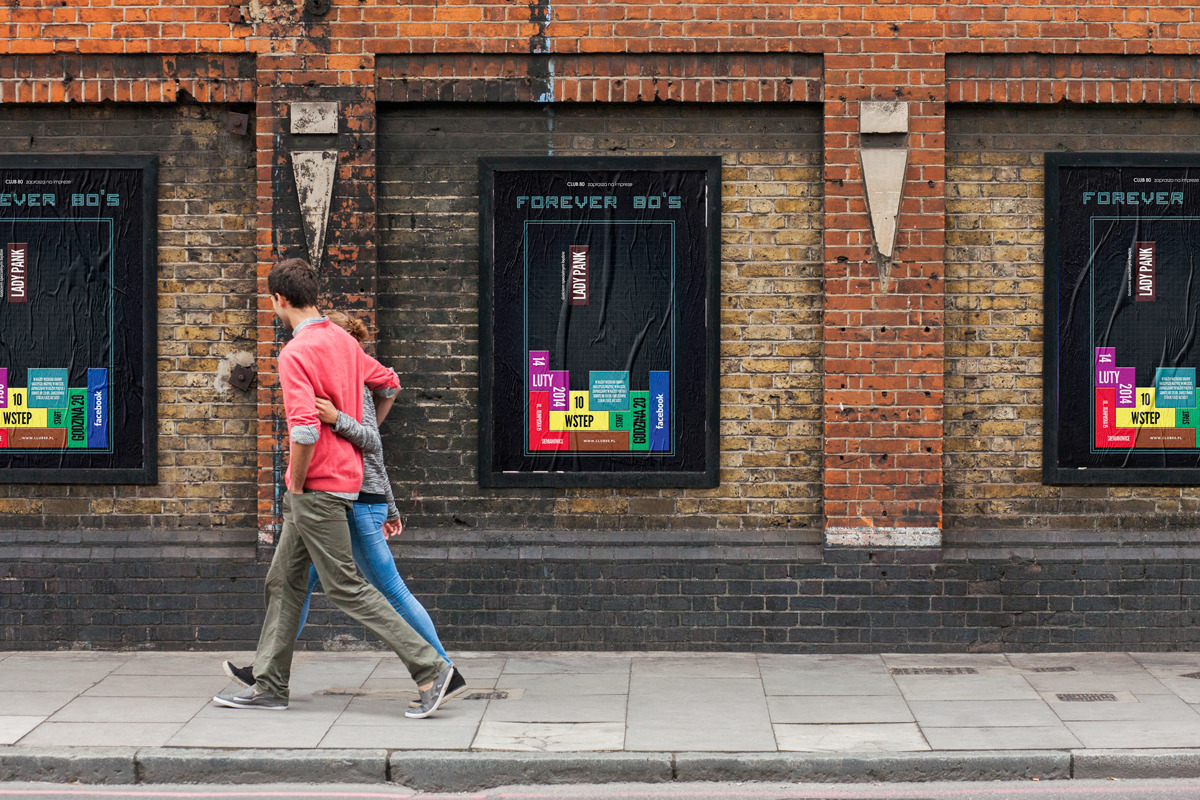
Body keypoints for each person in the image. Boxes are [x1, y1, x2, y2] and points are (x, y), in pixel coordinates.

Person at [212, 258, 454, 719]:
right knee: (283, 580)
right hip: (342, 482)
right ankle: (269, 685)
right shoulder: (342, 340)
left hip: (316, 487)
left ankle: (432, 668)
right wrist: (358, 435)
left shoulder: (295, 352)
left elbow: (303, 431)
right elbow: (390, 383)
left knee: (346, 588)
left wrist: (297, 484)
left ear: (278, 299)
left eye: (272, 302)